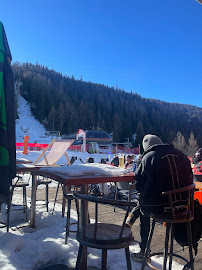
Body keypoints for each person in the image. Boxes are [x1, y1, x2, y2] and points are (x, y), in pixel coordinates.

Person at [126, 134, 193, 262]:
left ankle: (144, 250)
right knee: (144, 202)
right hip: (184, 206)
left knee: (143, 206)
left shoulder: (148, 158)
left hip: (162, 208)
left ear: (146, 147)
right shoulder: (182, 155)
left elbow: (140, 187)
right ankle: (129, 221)